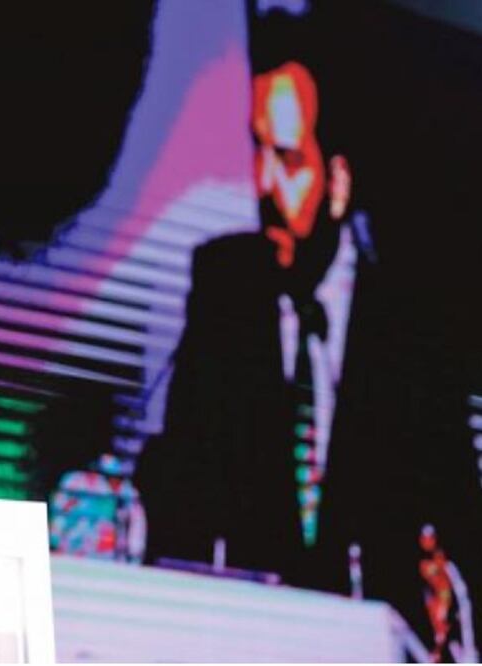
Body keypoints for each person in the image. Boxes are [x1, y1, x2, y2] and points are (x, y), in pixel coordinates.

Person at [136, 60, 355, 583]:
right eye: (258, 151)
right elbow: (185, 469)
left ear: (338, 183)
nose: (265, 183)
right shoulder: (224, 282)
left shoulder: (400, 323)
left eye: (289, 159)